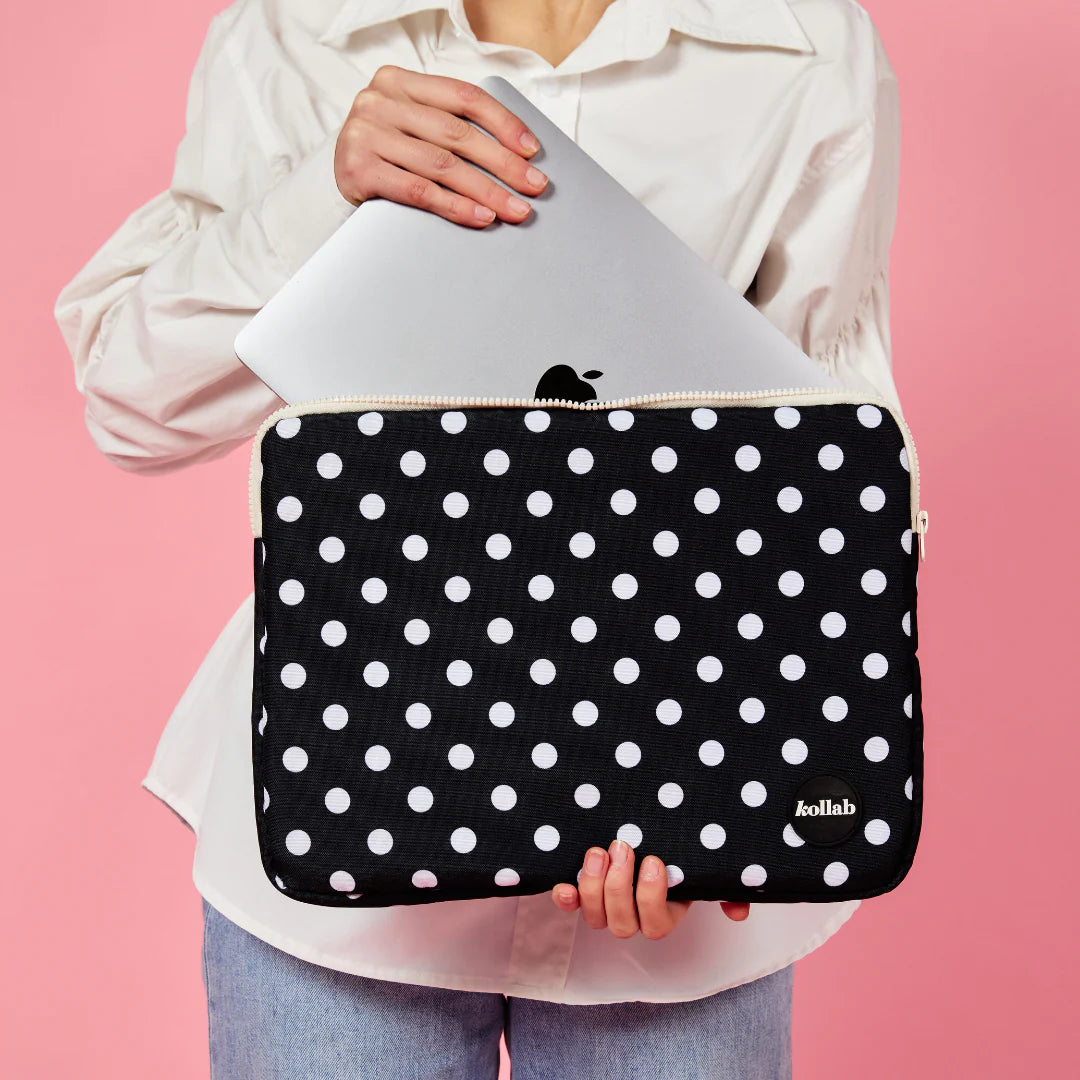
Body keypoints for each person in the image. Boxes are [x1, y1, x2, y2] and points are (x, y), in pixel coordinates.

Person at [54, 1, 906, 1076]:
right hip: (338, 824)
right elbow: (131, 407)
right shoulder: (294, 29)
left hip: (671, 855)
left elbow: (838, 465)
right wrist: (324, 196)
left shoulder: (803, 42)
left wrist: (759, 780)